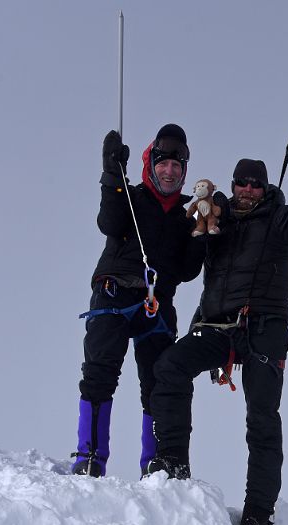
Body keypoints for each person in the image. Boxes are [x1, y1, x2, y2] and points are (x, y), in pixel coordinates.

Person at [147, 140, 288, 525]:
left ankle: (257, 515)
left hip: (264, 329)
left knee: (262, 418)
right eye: (242, 184)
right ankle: (173, 462)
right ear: (233, 185)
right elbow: (183, 253)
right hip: (217, 326)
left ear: (265, 188)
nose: (248, 191)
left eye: (256, 185)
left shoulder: (283, 221)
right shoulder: (216, 221)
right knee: (169, 366)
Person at [71, 124, 203, 477]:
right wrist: (111, 170)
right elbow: (109, 222)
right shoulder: (130, 197)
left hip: (155, 304)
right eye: (163, 164)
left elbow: (189, 270)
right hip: (114, 292)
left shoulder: (184, 218)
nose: (170, 171)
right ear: (151, 163)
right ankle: (90, 459)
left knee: (159, 384)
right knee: (99, 374)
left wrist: (205, 230)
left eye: (177, 166)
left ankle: (156, 469)